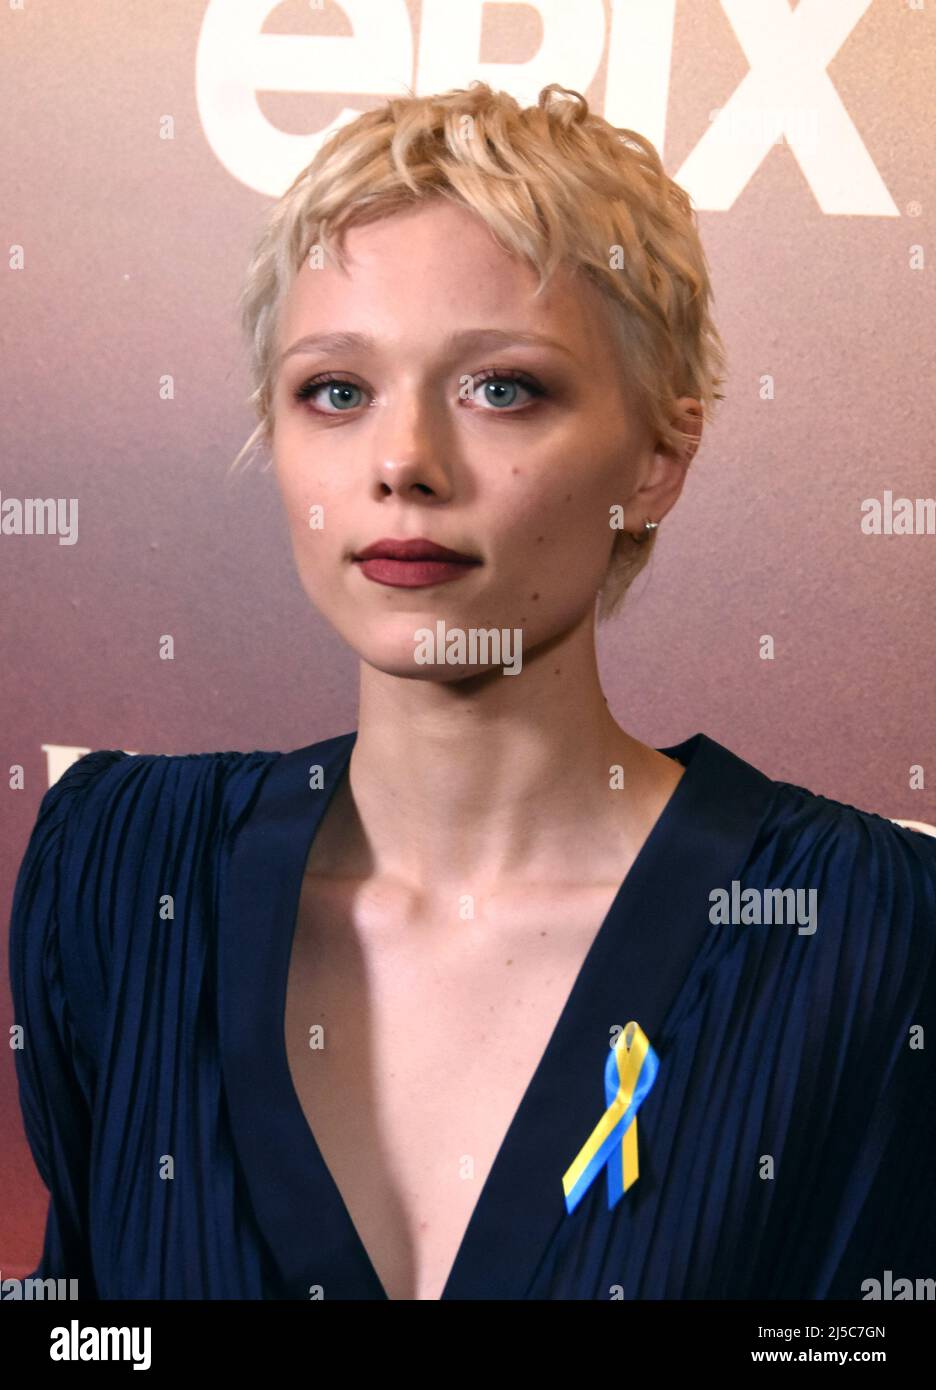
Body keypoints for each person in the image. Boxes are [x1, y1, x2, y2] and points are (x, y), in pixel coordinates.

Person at [9, 82, 936, 1302]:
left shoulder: (865, 925)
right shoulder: (122, 871)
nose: (404, 462)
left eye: (500, 387)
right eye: (337, 390)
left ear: (660, 456)